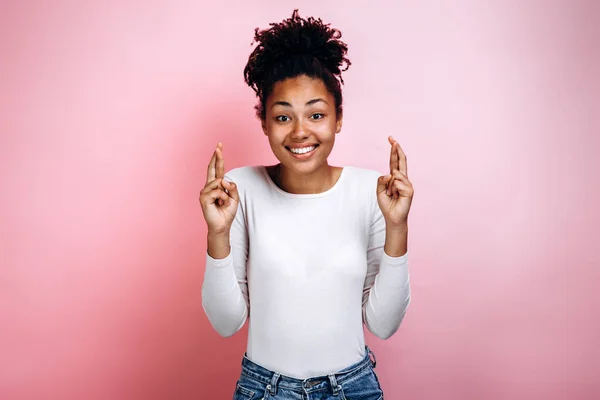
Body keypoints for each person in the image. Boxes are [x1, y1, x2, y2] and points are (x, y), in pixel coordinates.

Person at [199, 10, 413, 400]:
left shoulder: (374, 193)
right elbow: (227, 322)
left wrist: (397, 227)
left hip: (353, 389)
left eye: (316, 114)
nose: (300, 132)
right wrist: (217, 233)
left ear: (338, 118)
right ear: (264, 121)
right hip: (264, 389)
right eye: (283, 116)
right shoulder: (240, 190)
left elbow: (382, 326)